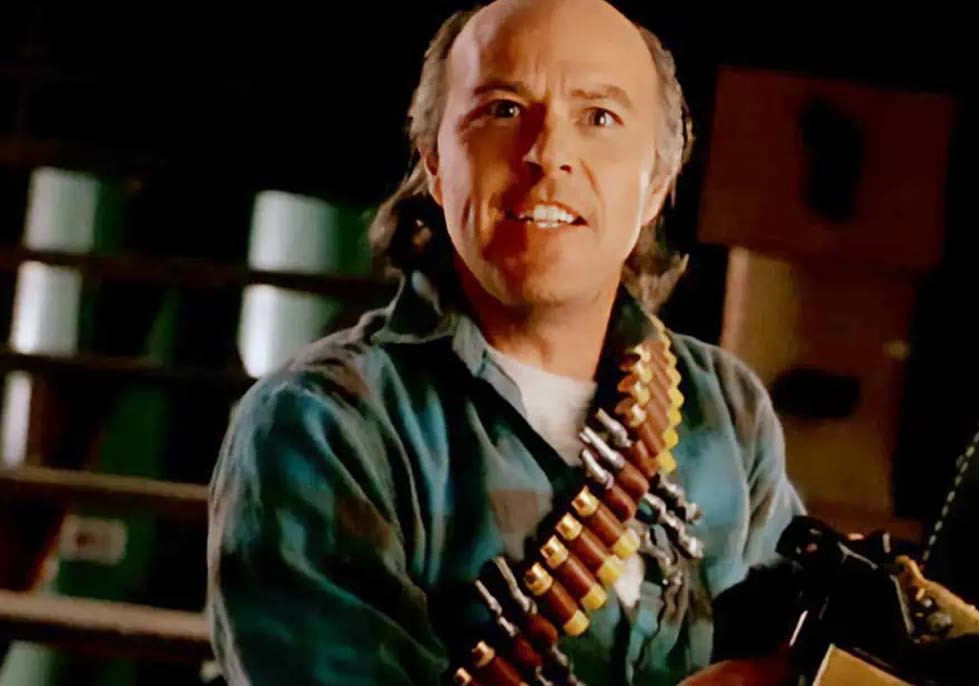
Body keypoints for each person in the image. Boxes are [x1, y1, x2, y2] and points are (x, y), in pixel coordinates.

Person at [206, 1, 804, 684]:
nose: (548, 154)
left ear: (656, 186)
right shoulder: (322, 425)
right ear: (436, 164)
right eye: (503, 110)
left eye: (599, 117)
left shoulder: (724, 408)